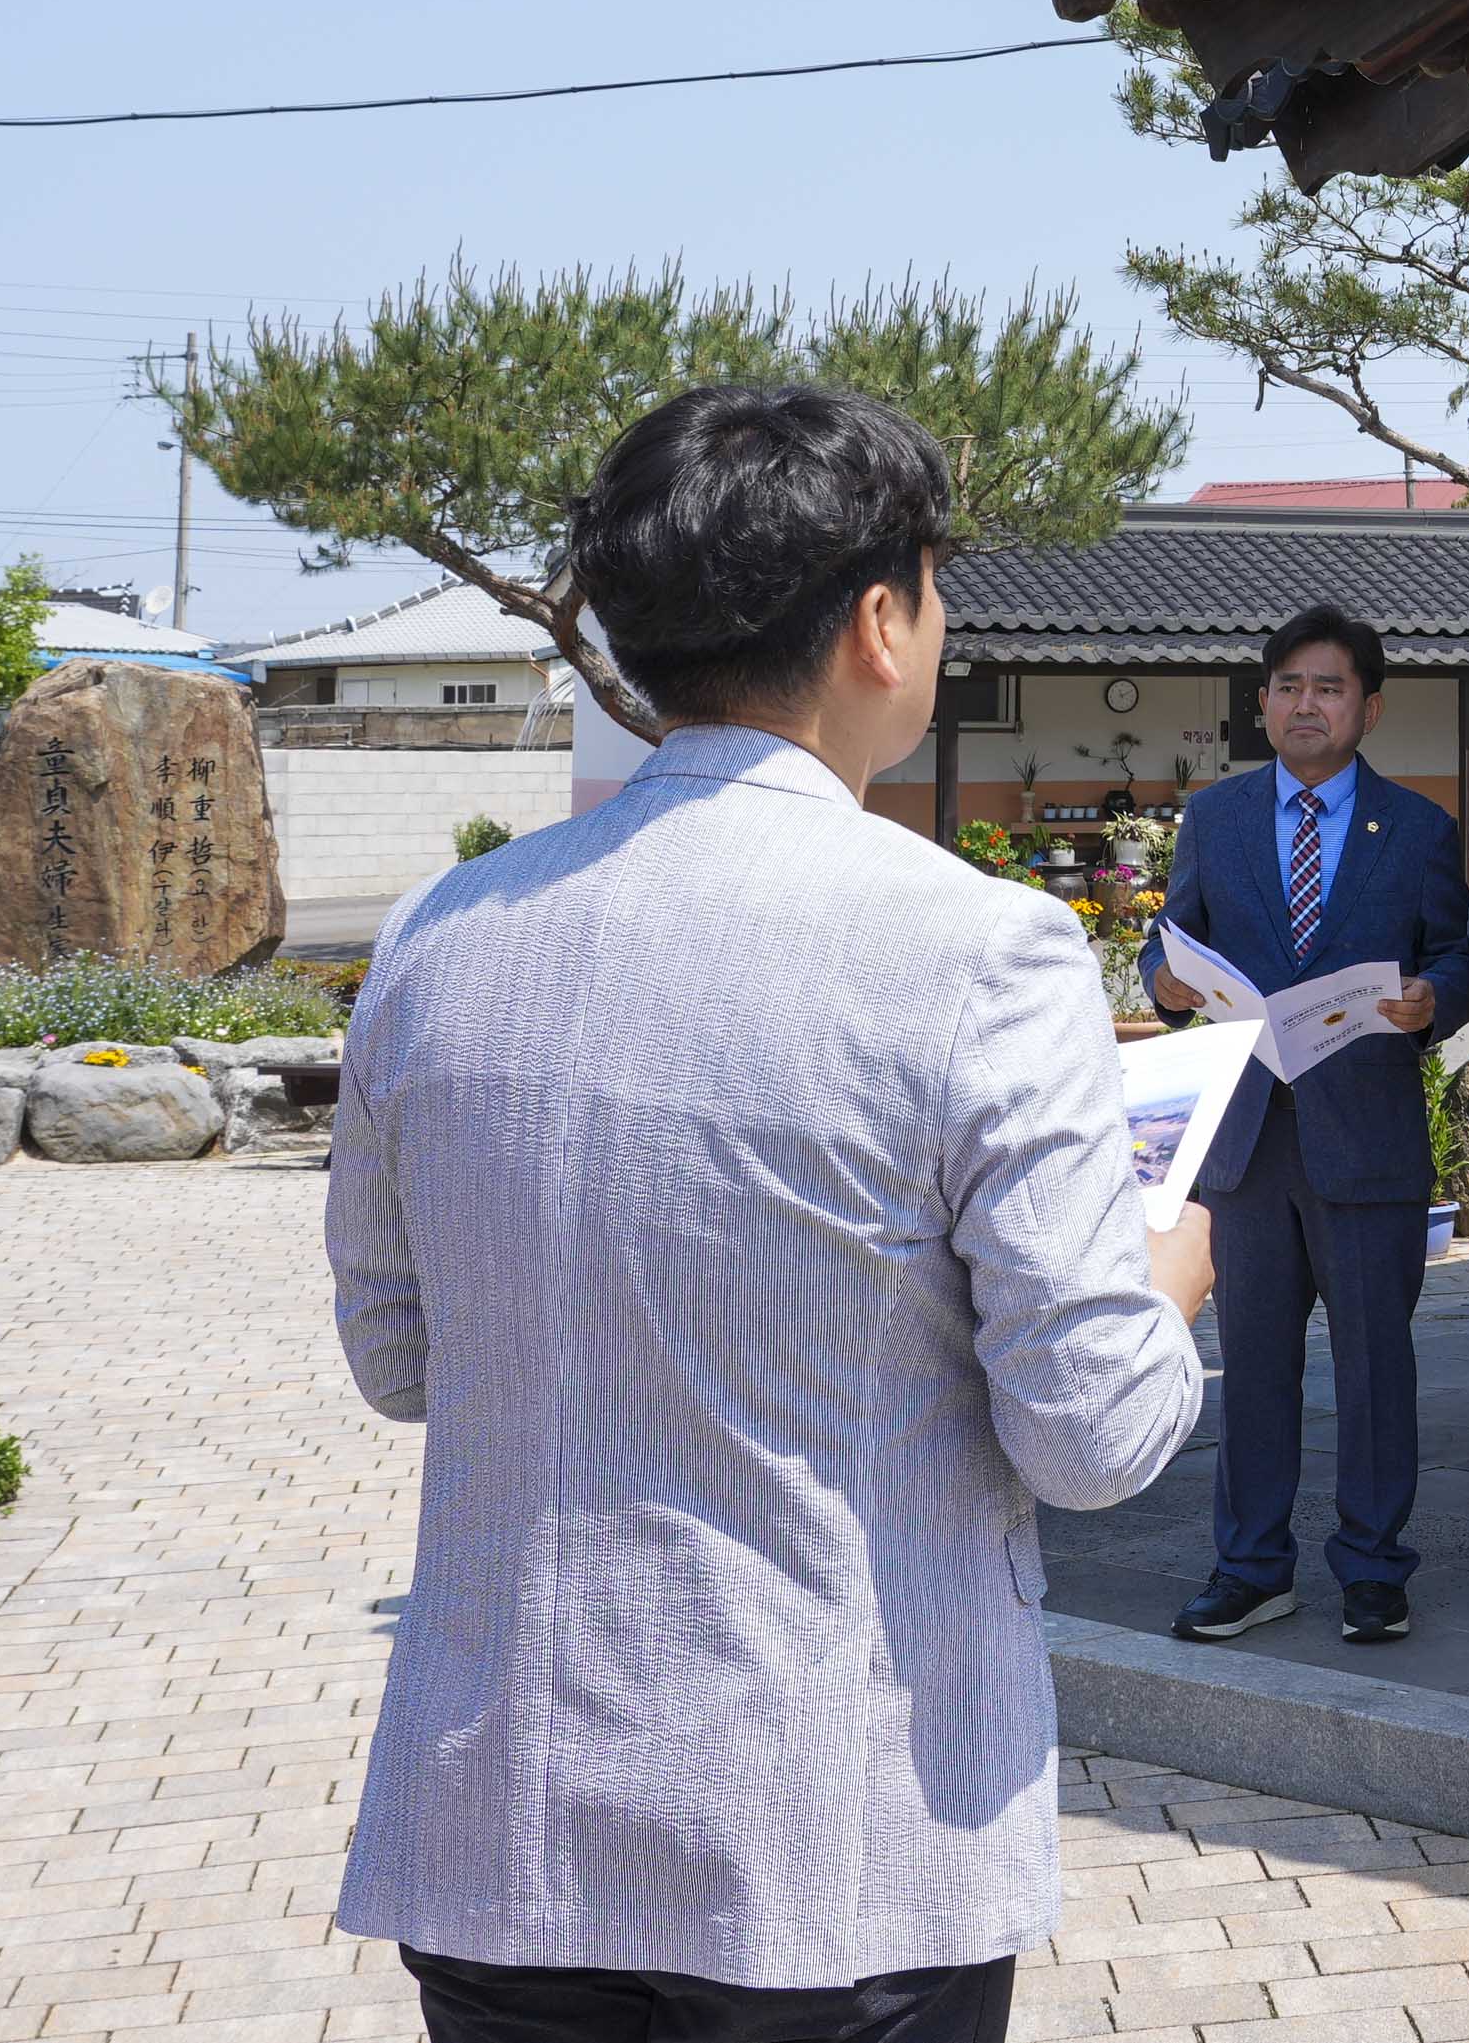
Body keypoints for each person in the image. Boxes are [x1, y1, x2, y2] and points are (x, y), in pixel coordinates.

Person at [328, 384, 1204, 2043]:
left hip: (498, 1813)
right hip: (829, 1832)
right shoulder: (981, 950)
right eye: (937, 587)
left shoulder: (444, 932)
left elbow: (396, 1353)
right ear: (881, 617)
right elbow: (1091, 1433)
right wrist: (1176, 1278)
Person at [1146, 605, 1469, 1649]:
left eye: (1328, 687)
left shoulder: (1418, 828)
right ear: (1261, 703)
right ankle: (1250, 1566)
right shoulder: (1217, 818)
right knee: (1251, 1365)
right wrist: (1162, 981)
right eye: (1287, 685)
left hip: (1366, 1133)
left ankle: (1375, 1570)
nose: (1305, 703)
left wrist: (1435, 998)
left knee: (1376, 1364)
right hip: (1250, 1139)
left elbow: (1458, 962)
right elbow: (1174, 948)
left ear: (1367, 707)